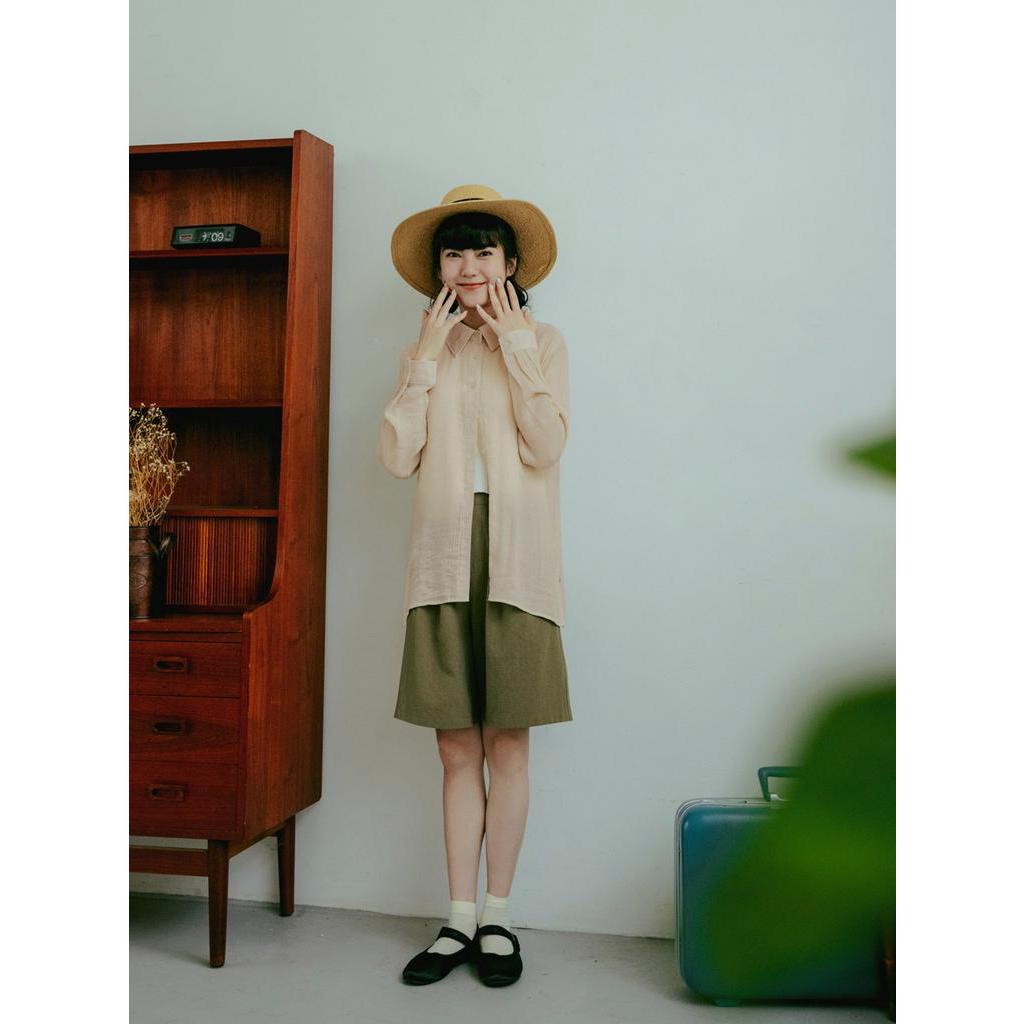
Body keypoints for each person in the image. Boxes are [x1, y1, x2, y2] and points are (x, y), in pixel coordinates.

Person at [377, 184, 573, 987]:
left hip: (519, 559)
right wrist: (424, 362)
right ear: (439, 269)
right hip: (442, 558)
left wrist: (516, 347)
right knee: (455, 747)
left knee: (508, 745)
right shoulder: (424, 350)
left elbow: (547, 445)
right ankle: (457, 919)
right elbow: (397, 458)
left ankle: (497, 917)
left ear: (511, 262)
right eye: (453, 253)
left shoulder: (545, 342)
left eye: (482, 251)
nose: (467, 267)